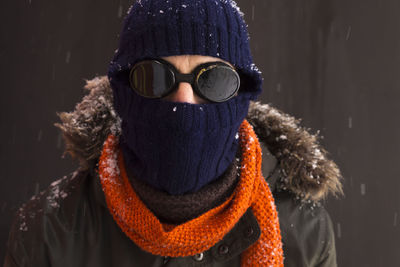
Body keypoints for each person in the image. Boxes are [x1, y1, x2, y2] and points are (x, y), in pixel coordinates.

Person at [4, 0, 343, 266]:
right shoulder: (50, 228)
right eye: (154, 77)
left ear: (242, 93)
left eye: (214, 80)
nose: (184, 101)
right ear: (123, 90)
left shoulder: (303, 234)